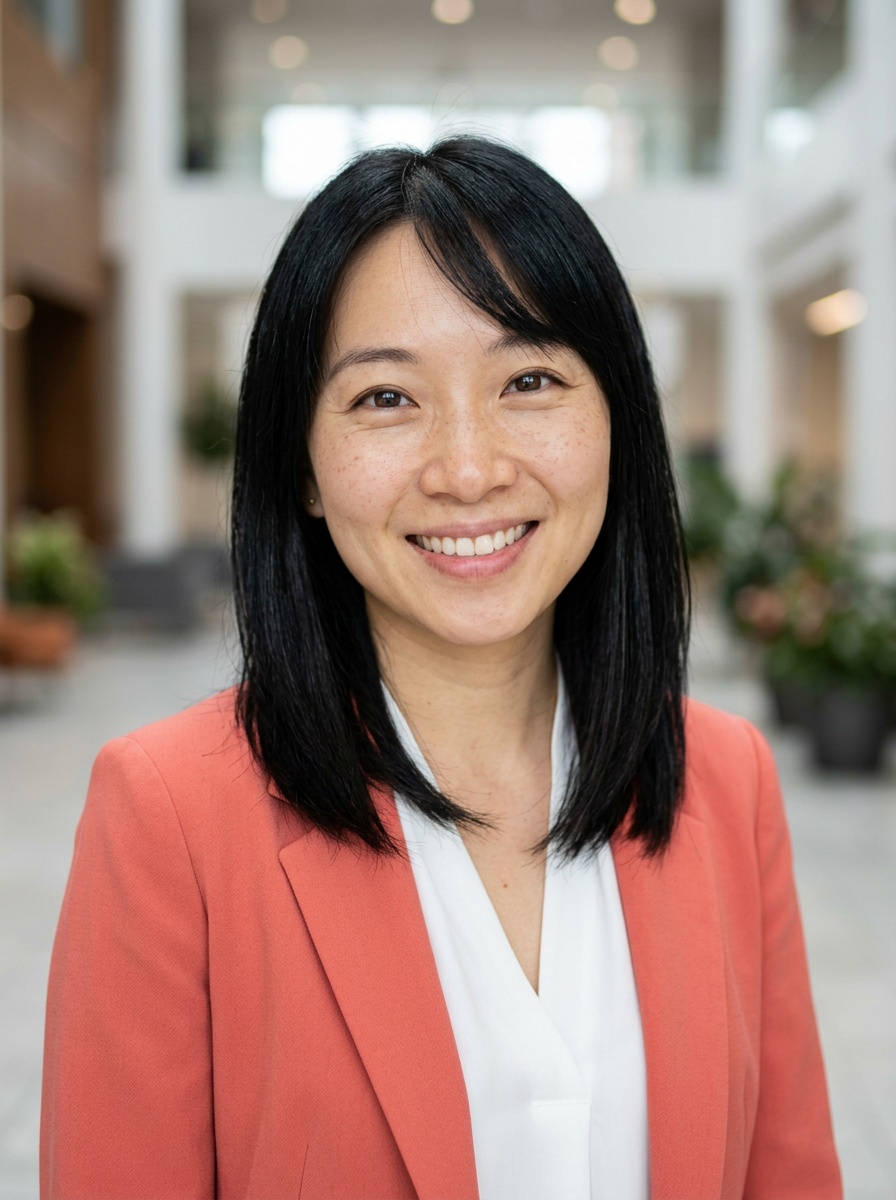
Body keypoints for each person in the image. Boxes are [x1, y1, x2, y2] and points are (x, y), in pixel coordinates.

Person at [41, 137, 842, 1200]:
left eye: (528, 380)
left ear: (617, 422)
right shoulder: (171, 817)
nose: (467, 469)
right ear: (305, 469)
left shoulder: (725, 782)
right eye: (385, 399)